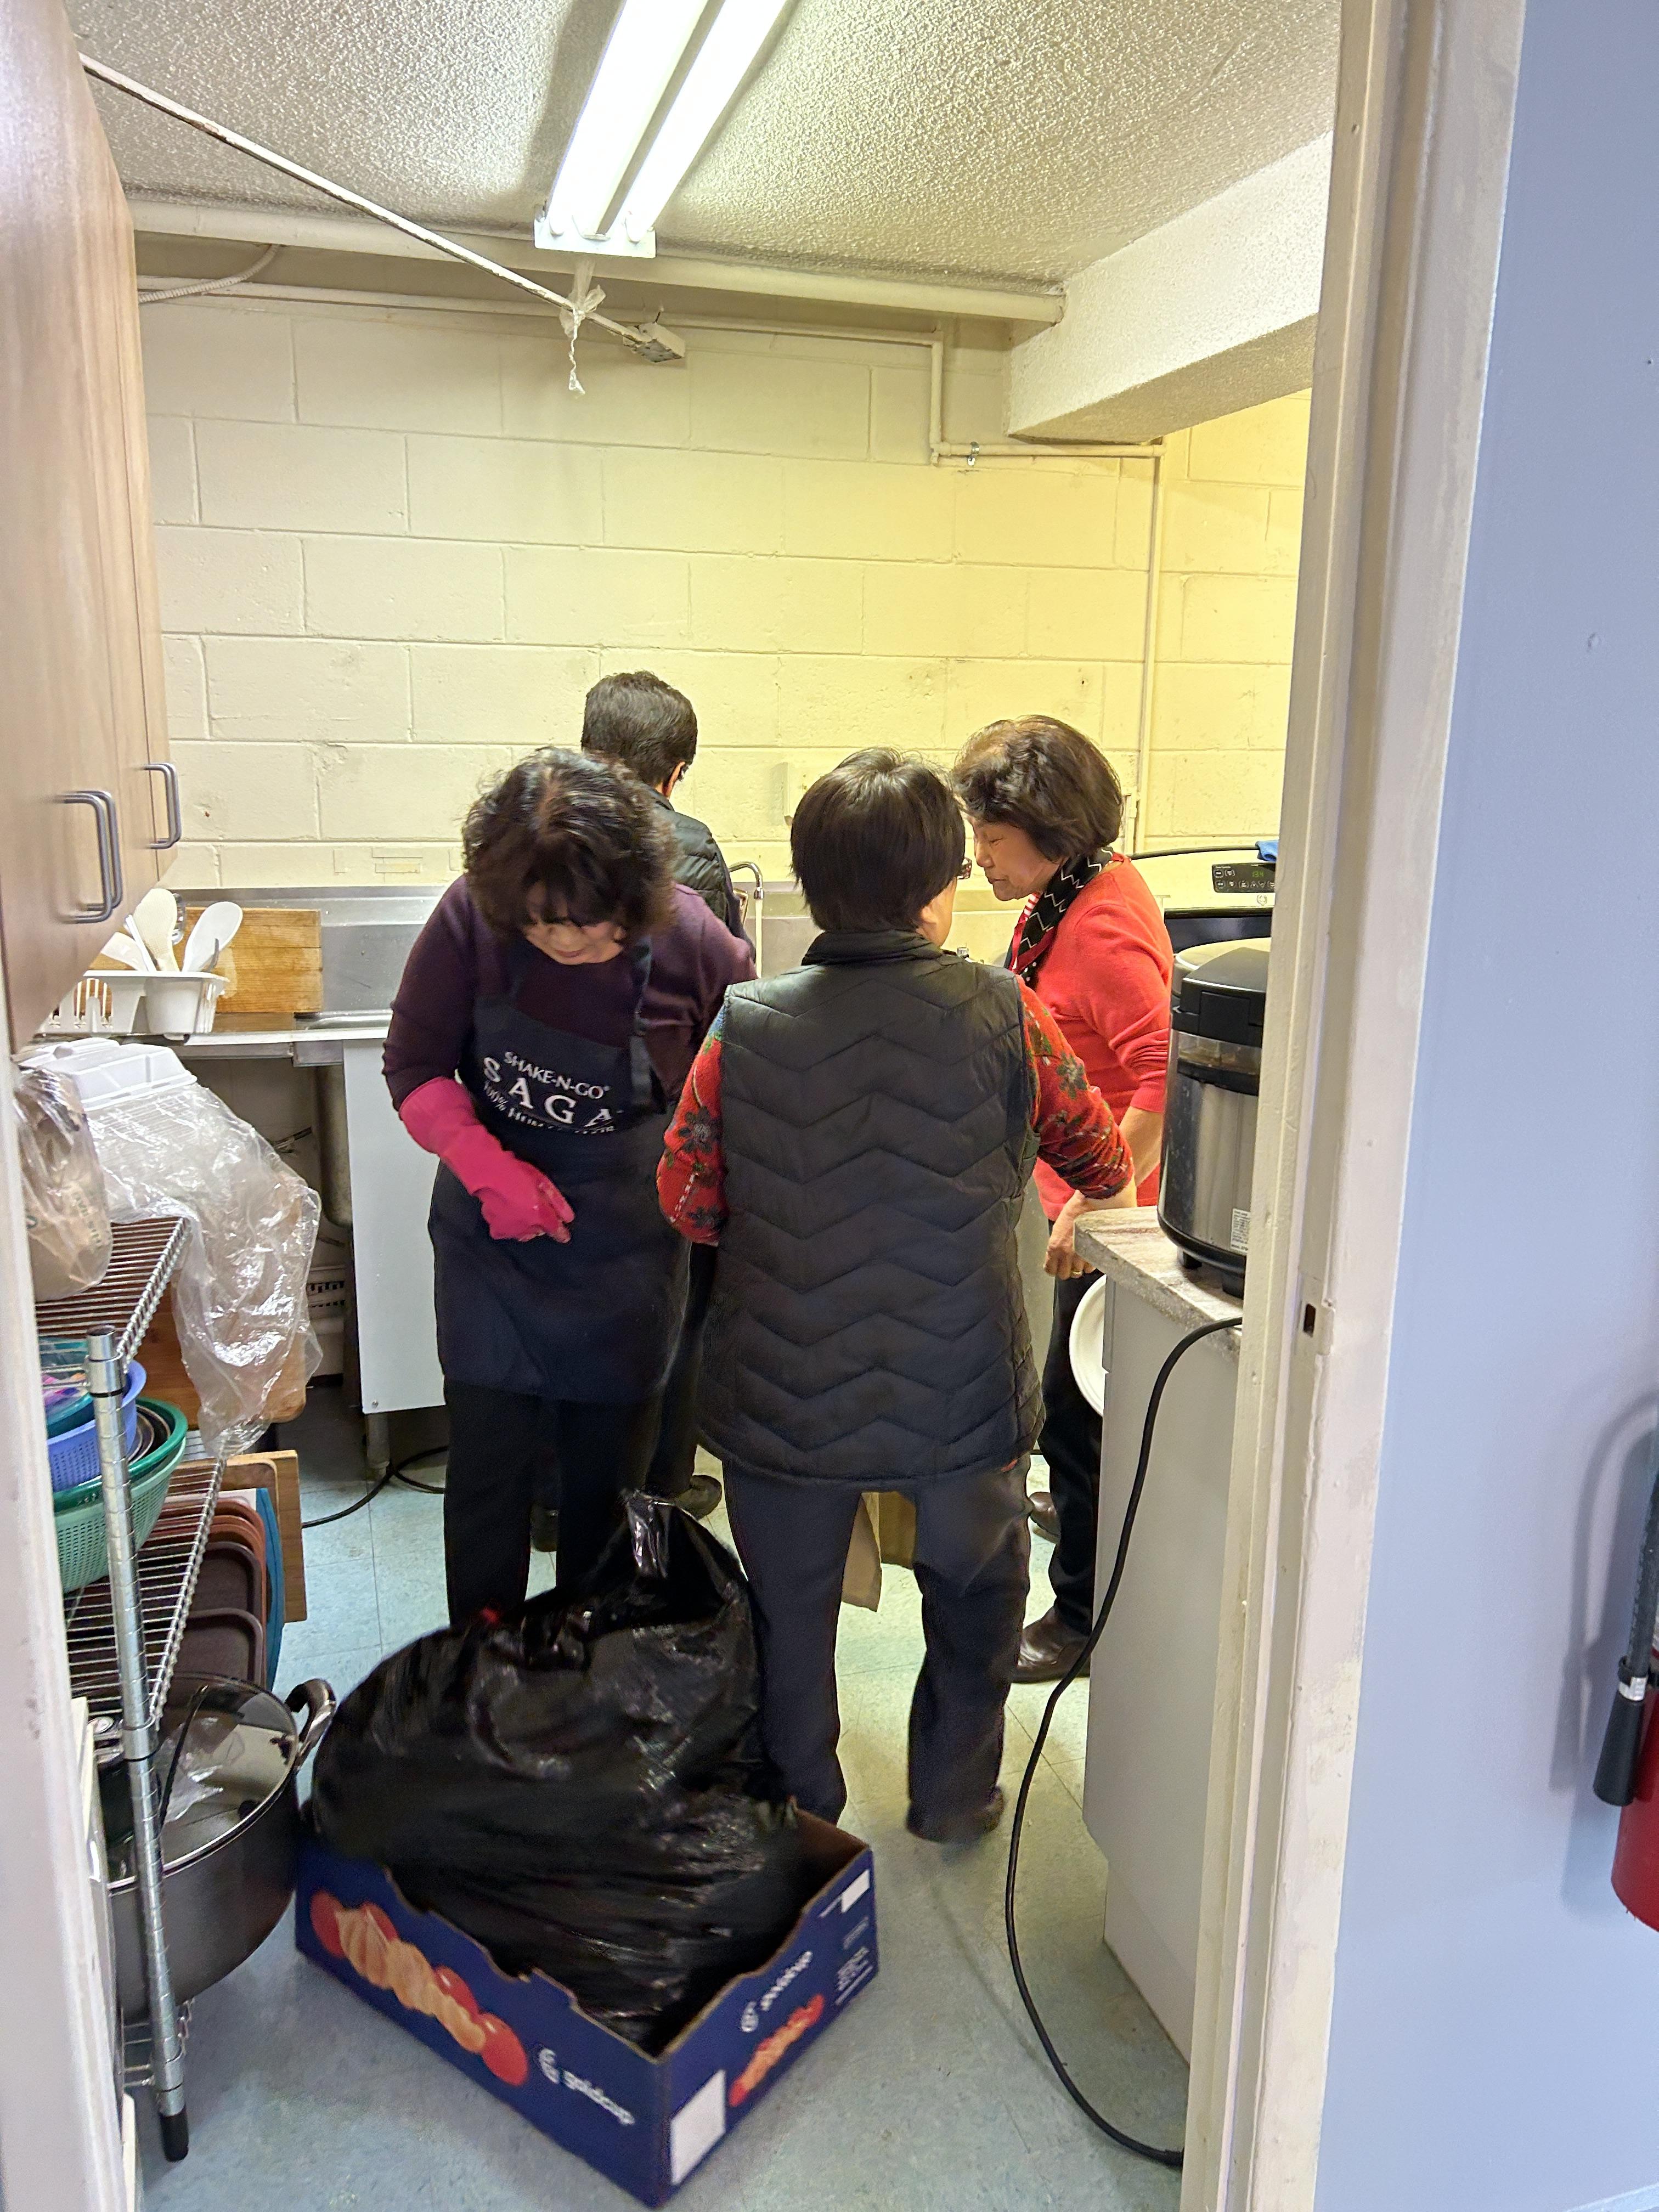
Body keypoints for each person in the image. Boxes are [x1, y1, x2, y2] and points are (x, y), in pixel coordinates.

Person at [657, 750, 1137, 1843]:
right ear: (935, 888)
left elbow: (684, 1196)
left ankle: (806, 1815)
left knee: (787, 1617)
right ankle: (954, 1797)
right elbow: (1104, 1158)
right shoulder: (1006, 1012)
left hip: (781, 1393)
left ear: (812, 885)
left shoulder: (745, 1024)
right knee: (974, 1598)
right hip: (957, 1387)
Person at [384, 748, 753, 1625]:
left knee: (607, 1486)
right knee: (488, 1472)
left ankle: (589, 1660)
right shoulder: (470, 919)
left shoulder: (697, 943)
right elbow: (416, 1065)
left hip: (628, 1250)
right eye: (546, 928)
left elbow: (743, 1084)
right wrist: (486, 1169)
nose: (571, 944)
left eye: (596, 927)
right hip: (492, 1250)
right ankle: (484, 1663)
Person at [951, 716, 1173, 1684]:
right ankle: (1078, 1512)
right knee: (1077, 1410)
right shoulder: (1070, 888)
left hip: (1112, 1209)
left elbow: (1164, 1072)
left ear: (1047, 832)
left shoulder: (1102, 926)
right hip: (1073, 1189)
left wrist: (1096, 1199)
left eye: (992, 838)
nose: (980, 856)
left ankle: (1079, 1617)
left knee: (1077, 1419)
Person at [578, 669, 747, 1523]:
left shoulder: (534, 838)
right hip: (656, 1123)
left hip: (553, 1120)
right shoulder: (691, 851)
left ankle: (559, 1501)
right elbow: (728, 1008)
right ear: (675, 771)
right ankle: (660, 1491)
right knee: (672, 1308)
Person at [581, 669, 747, 939]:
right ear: (674, 774)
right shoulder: (695, 845)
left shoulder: (543, 832)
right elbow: (731, 958)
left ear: (588, 755)